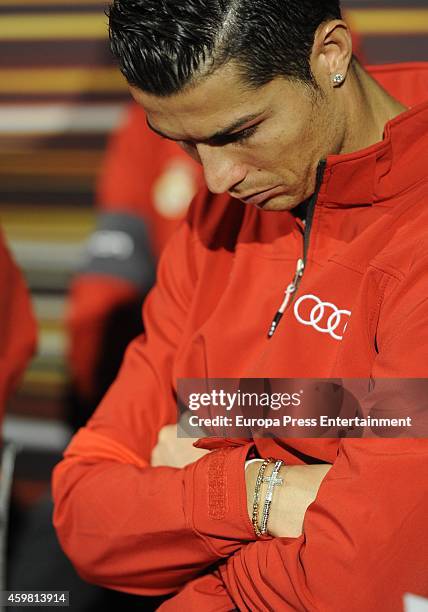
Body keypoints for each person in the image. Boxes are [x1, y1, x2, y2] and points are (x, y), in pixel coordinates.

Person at [52, 1, 428, 610]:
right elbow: (85, 516)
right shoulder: (217, 220)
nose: (216, 179)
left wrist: (185, 503)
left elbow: (362, 584)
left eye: (239, 132)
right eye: (182, 143)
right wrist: (260, 491)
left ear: (329, 54)